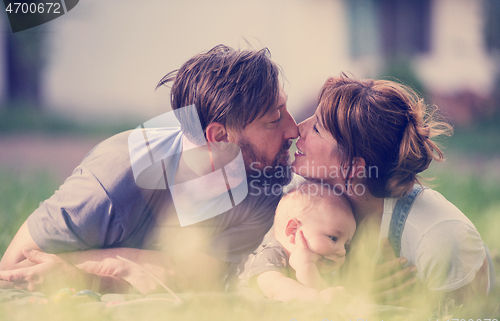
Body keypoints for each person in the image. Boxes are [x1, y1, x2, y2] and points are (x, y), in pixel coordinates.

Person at [0, 45, 299, 294]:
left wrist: (94, 270)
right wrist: (141, 267)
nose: (294, 129)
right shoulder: (112, 182)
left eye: (286, 109)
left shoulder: (264, 180)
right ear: (220, 138)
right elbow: (12, 270)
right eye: (274, 120)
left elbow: (192, 279)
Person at [292, 74, 494, 306]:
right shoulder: (301, 205)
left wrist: (406, 308)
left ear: (352, 166)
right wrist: (357, 299)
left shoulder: (439, 237)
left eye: (317, 128)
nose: (299, 128)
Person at [238, 182, 356, 303]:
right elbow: (276, 289)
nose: (342, 252)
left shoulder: (320, 269)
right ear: (293, 230)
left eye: (346, 245)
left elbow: (328, 300)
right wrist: (306, 271)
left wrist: (308, 269)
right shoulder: (269, 256)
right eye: (333, 238)